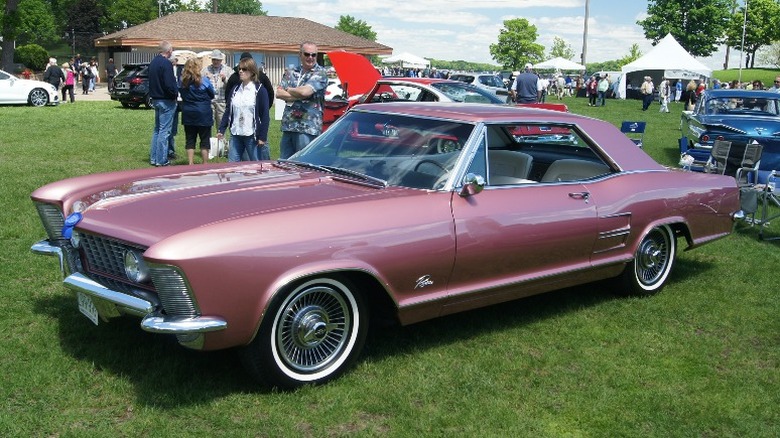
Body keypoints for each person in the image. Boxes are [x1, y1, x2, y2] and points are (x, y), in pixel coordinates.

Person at [276, 41, 328, 159]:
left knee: (303, 165)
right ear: (300, 54)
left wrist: (288, 89)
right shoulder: (291, 71)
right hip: (289, 125)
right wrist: (299, 95)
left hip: (308, 128)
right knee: (285, 165)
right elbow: (278, 93)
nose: (310, 57)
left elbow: (306, 92)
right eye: (307, 54)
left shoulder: (320, 73)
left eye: (313, 55)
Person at [218, 57, 270, 162]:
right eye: (239, 69)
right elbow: (228, 110)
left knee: (256, 165)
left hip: (252, 135)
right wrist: (221, 129)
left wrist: (262, 137)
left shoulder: (260, 90)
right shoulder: (235, 89)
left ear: (252, 72)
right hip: (236, 133)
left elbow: (265, 115)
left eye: (244, 69)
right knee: (232, 165)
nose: (241, 71)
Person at [148, 41, 179, 167]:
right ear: (169, 50)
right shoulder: (166, 64)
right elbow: (169, 84)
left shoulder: (153, 62)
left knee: (157, 129)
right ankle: (161, 160)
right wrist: (175, 94)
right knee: (164, 131)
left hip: (156, 99)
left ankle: (154, 157)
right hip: (166, 100)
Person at [179, 58, 215, 165]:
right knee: (204, 139)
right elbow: (212, 94)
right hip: (203, 112)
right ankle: (205, 163)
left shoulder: (182, 81)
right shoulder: (204, 81)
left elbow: (181, 94)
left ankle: (190, 163)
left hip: (188, 112)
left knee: (190, 139)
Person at [201, 50, 232, 136]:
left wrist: (225, 79)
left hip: (221, 101)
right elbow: (199, 84)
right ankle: (208, 145)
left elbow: (231, 85)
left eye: (218, 60)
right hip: (209, 101)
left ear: (221, 60)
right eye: (214, 59)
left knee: (221, 126)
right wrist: (205, 80)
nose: (215, 61)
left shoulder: (228, 70)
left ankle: (221, 147)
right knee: (207, 125)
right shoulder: (205, 70)